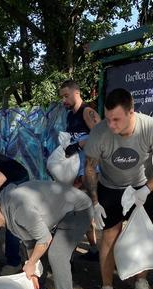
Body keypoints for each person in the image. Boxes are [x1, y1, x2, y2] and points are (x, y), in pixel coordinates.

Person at [83, 88, 153, 289]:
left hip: (142, 185)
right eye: (108, 119)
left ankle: (141, 280)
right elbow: (89, 168)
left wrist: (147, 189)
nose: (112, 125)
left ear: (131, 112)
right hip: (110, 187)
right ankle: (107, 287)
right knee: (109, 236)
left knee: (141, 235)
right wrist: (95, 202)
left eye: (116, 119)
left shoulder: (150, 127)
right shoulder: (100, 132)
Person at [59, 79, 101, 261]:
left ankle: (69, 251)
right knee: (83, 211)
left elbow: (103, 137)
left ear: (76, 93)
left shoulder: (87, 112)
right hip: (77, 170)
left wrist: (81, 144)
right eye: (62, 97)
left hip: (92, 171)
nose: (63, 101)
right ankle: (94, 249)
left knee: (77, 209)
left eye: (66, 96)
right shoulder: (70, 116)